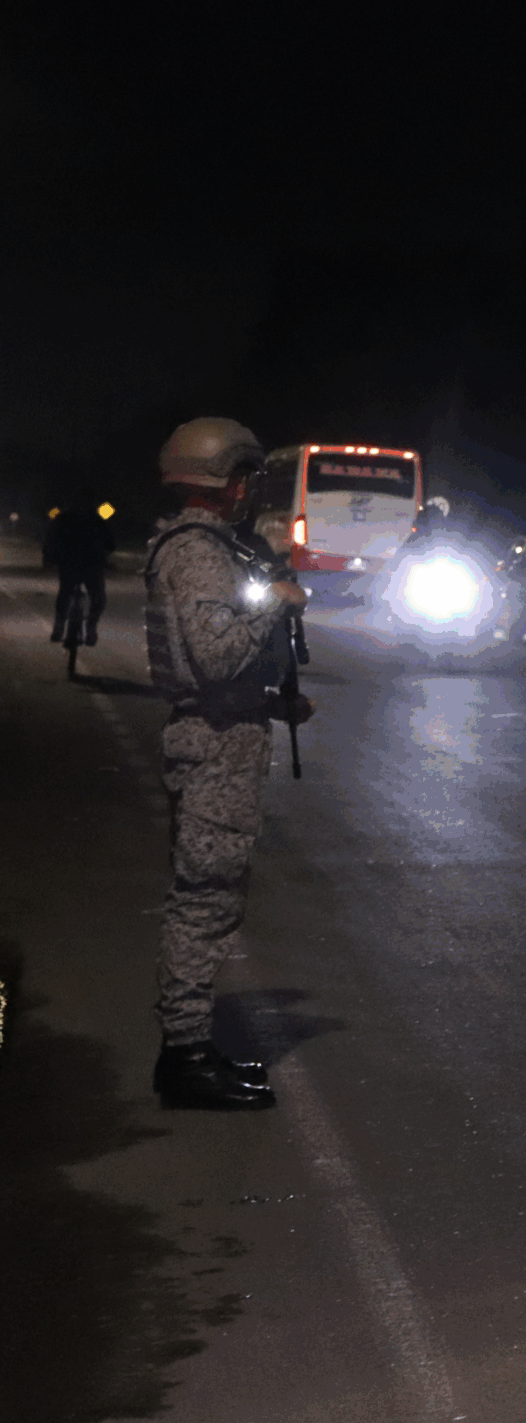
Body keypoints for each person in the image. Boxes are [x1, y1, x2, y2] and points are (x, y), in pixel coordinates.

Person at [144, 417, 310, 1111]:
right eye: (244, 478)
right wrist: (275, 602)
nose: (248, 492)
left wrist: (270, 704)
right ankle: (184, 1058)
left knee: (211, 899)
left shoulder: (201, 548)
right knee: (203, 903)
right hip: (214, 752)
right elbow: (213, 658)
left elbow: (204, 665)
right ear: (225, 480)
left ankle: (192, 1047)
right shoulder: (200, 554)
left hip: (220, 737)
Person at [45, 495, 115, 645]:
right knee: (98, 598)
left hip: (71, 564)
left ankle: (59, 627)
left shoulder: (64, 518)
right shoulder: (97, 519)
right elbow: (110, 543)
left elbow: (50, 539)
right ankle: (91, 627)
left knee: (65, 593)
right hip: (91, 566)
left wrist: (50, 559)